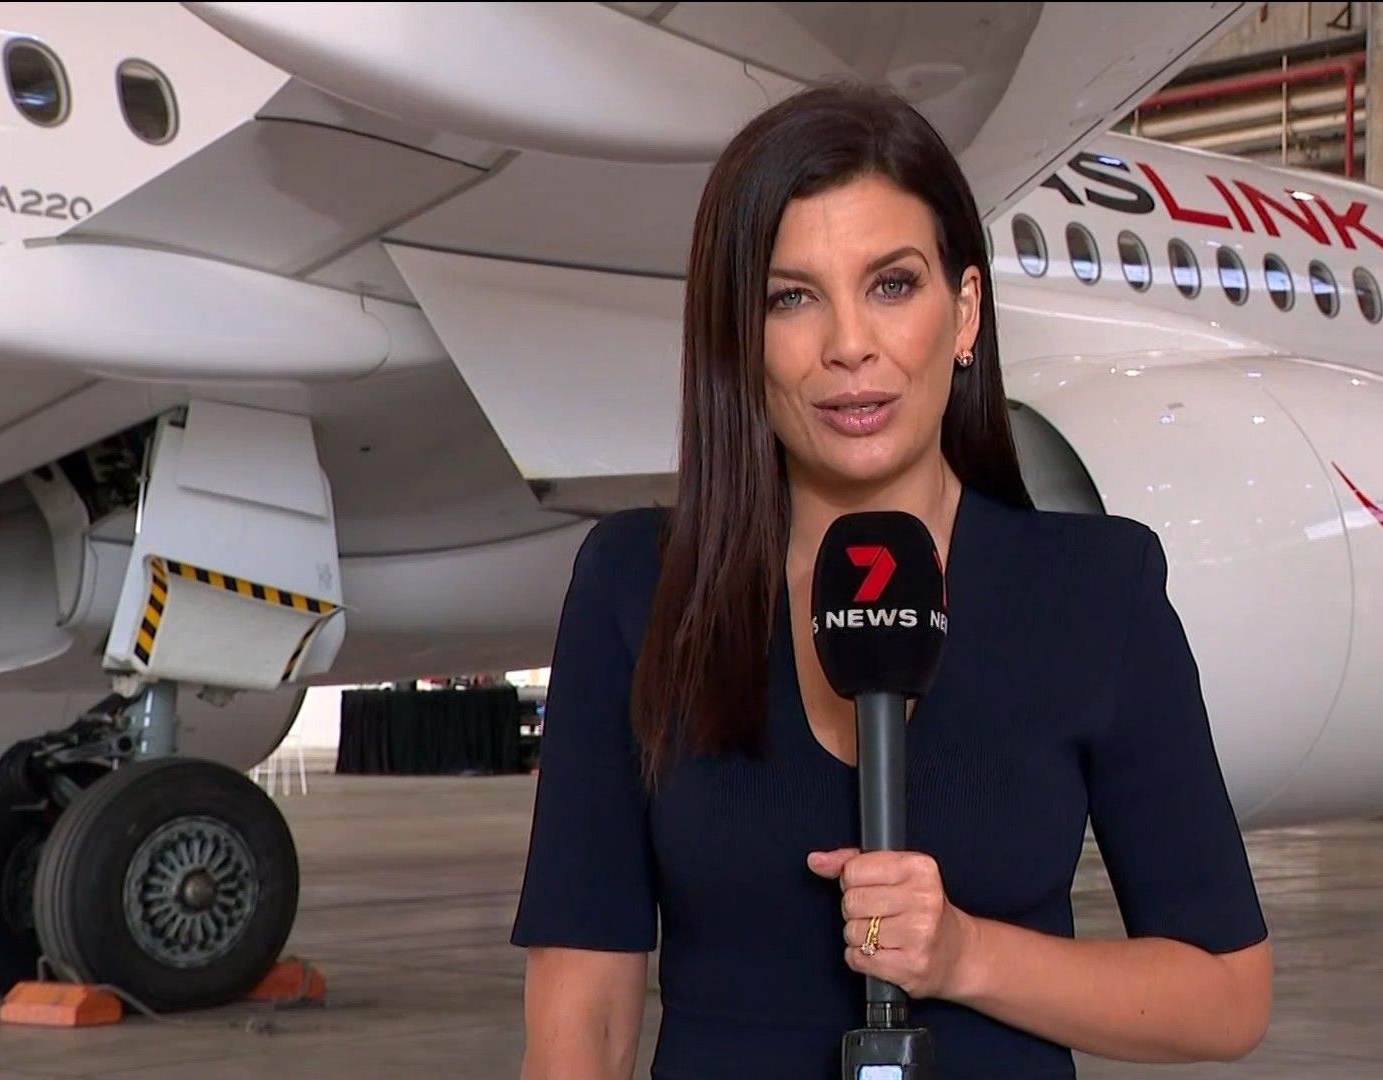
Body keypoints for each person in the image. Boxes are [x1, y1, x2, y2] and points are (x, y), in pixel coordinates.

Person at [511, 84, 1272, 1079]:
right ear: (739, 337)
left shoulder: (1096, 592)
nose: (848, 346)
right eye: (792, 298)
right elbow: (586, 1013)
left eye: (893, 285)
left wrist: (966, 955)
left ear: (965, 314)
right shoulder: (639, 588)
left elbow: (1226, 995)